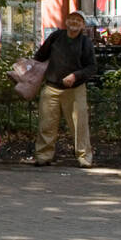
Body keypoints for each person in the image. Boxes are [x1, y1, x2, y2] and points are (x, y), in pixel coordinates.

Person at [32, 11, 97, 168]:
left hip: (75, 89)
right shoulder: (56, 37)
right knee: (46, 124)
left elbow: (92, 67)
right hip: (51, 87)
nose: (74, 22)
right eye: (72, 19)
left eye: (78, 20)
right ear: (66, 21)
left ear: (83, 25)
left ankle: (84, 157)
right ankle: (43, 156)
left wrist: (75, 75)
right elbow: (40, 56)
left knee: (79, 125)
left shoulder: (85, 42)